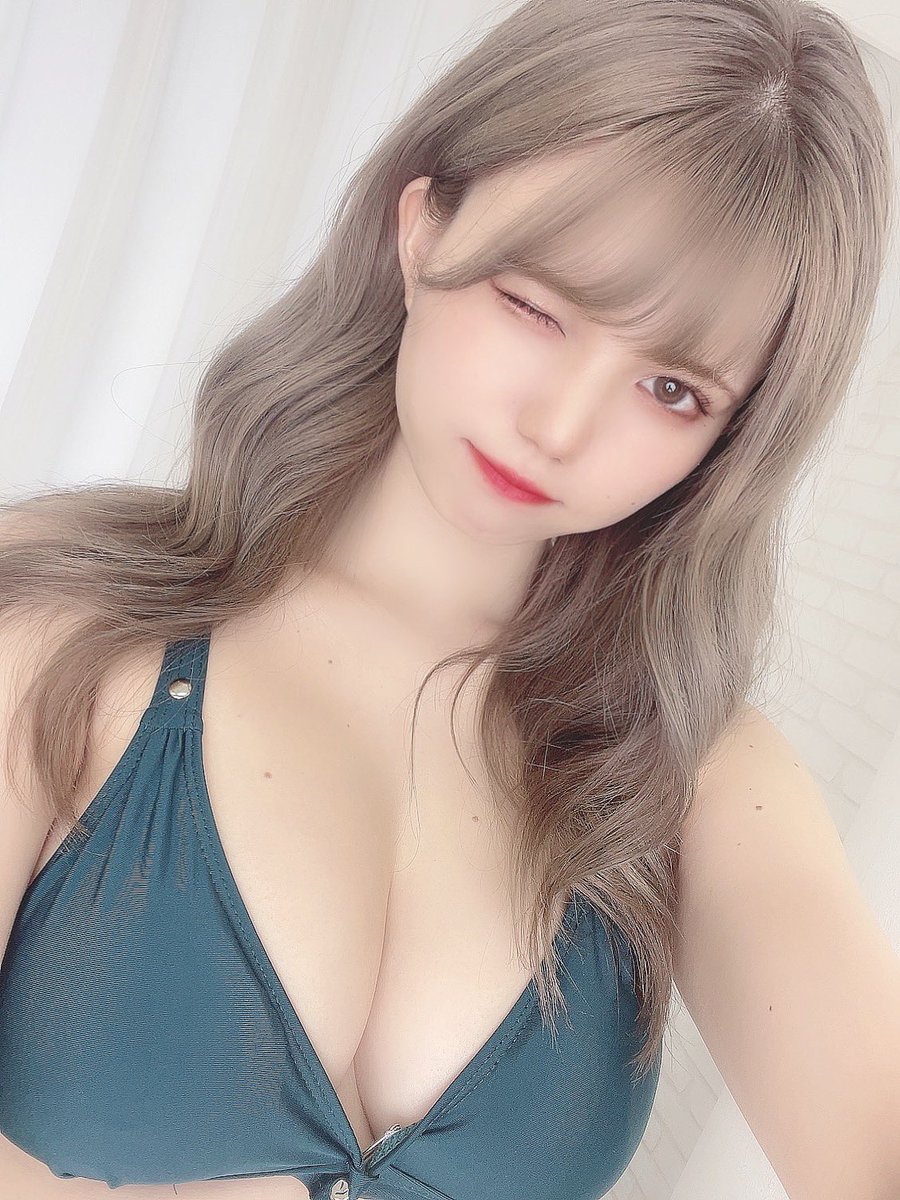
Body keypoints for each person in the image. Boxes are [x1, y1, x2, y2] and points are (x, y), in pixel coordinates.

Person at [1, 1, 898, 1198]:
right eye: (537, 306)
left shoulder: (691, 776)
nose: (560, 425)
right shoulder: (59, 622)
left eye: (672, 389)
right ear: (423, 227)